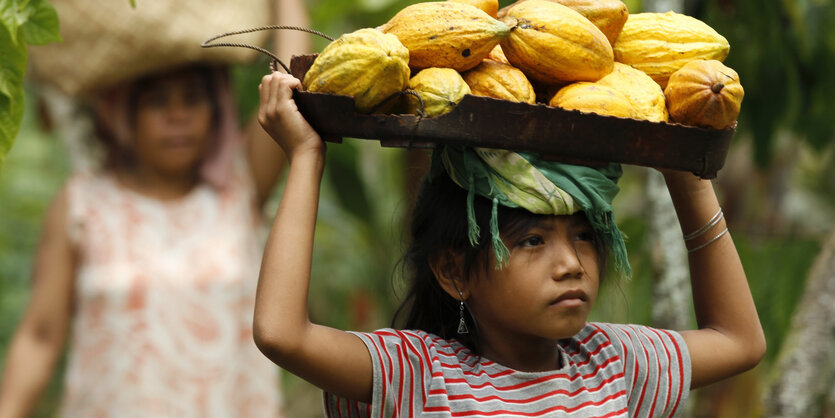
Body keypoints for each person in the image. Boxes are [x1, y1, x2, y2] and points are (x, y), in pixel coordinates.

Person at [251, 72, 766, 417]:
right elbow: (282, 334)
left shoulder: (612, 363)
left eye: (584, 235)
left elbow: (740, 341)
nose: (571, 264)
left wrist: (688, 176)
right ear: (454, 272)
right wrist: (305, 156)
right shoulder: (421, 375)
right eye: (533, 240)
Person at [0, 3, 311, 412]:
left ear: (215, 109)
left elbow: (291, 89)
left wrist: (286, 4)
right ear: (120, 114)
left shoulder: (240, 186)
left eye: (193, 99)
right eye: (157, 102)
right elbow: (40, 336)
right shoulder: (82, 206)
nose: (178, 116)